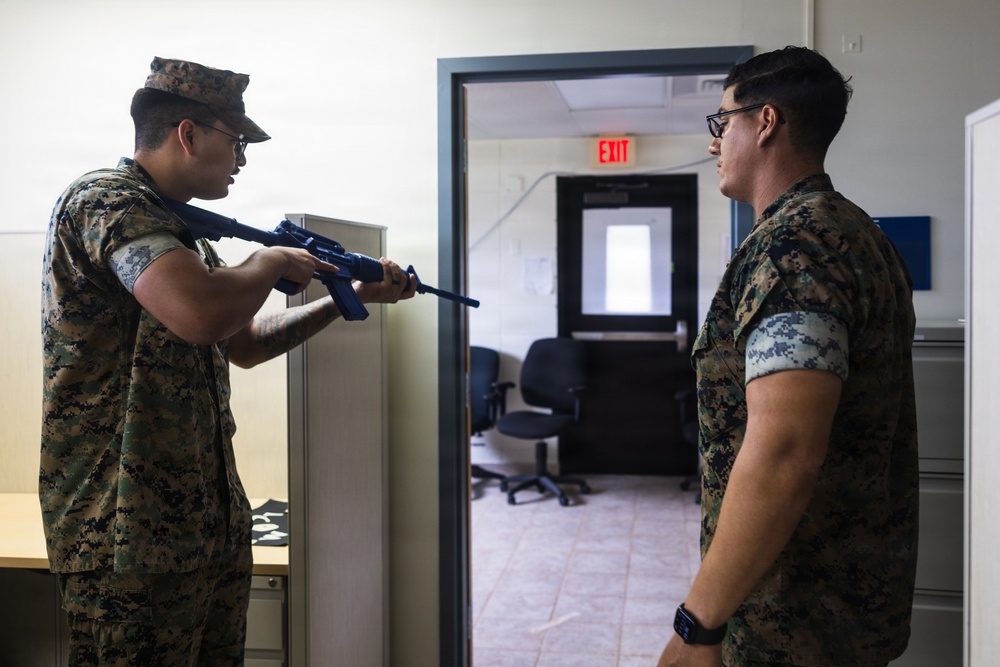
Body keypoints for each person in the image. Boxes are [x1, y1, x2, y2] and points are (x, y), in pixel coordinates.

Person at [39, 57, 415, 666]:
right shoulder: (106, 202)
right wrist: (268, 262)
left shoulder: (183, 238)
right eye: (237, 141)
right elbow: (200, 313)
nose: (242, 159)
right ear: (188, 133)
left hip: (202, 525)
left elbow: (244, 344)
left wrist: (351, 299)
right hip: (126, 532)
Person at [657, 46, 918, 667]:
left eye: (723, 124)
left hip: (794, 617)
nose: (715, 143)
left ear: (766, 122)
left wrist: (698, 626)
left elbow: (785, 451)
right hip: (850, 604)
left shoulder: (796, 246)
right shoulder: (858, 232)